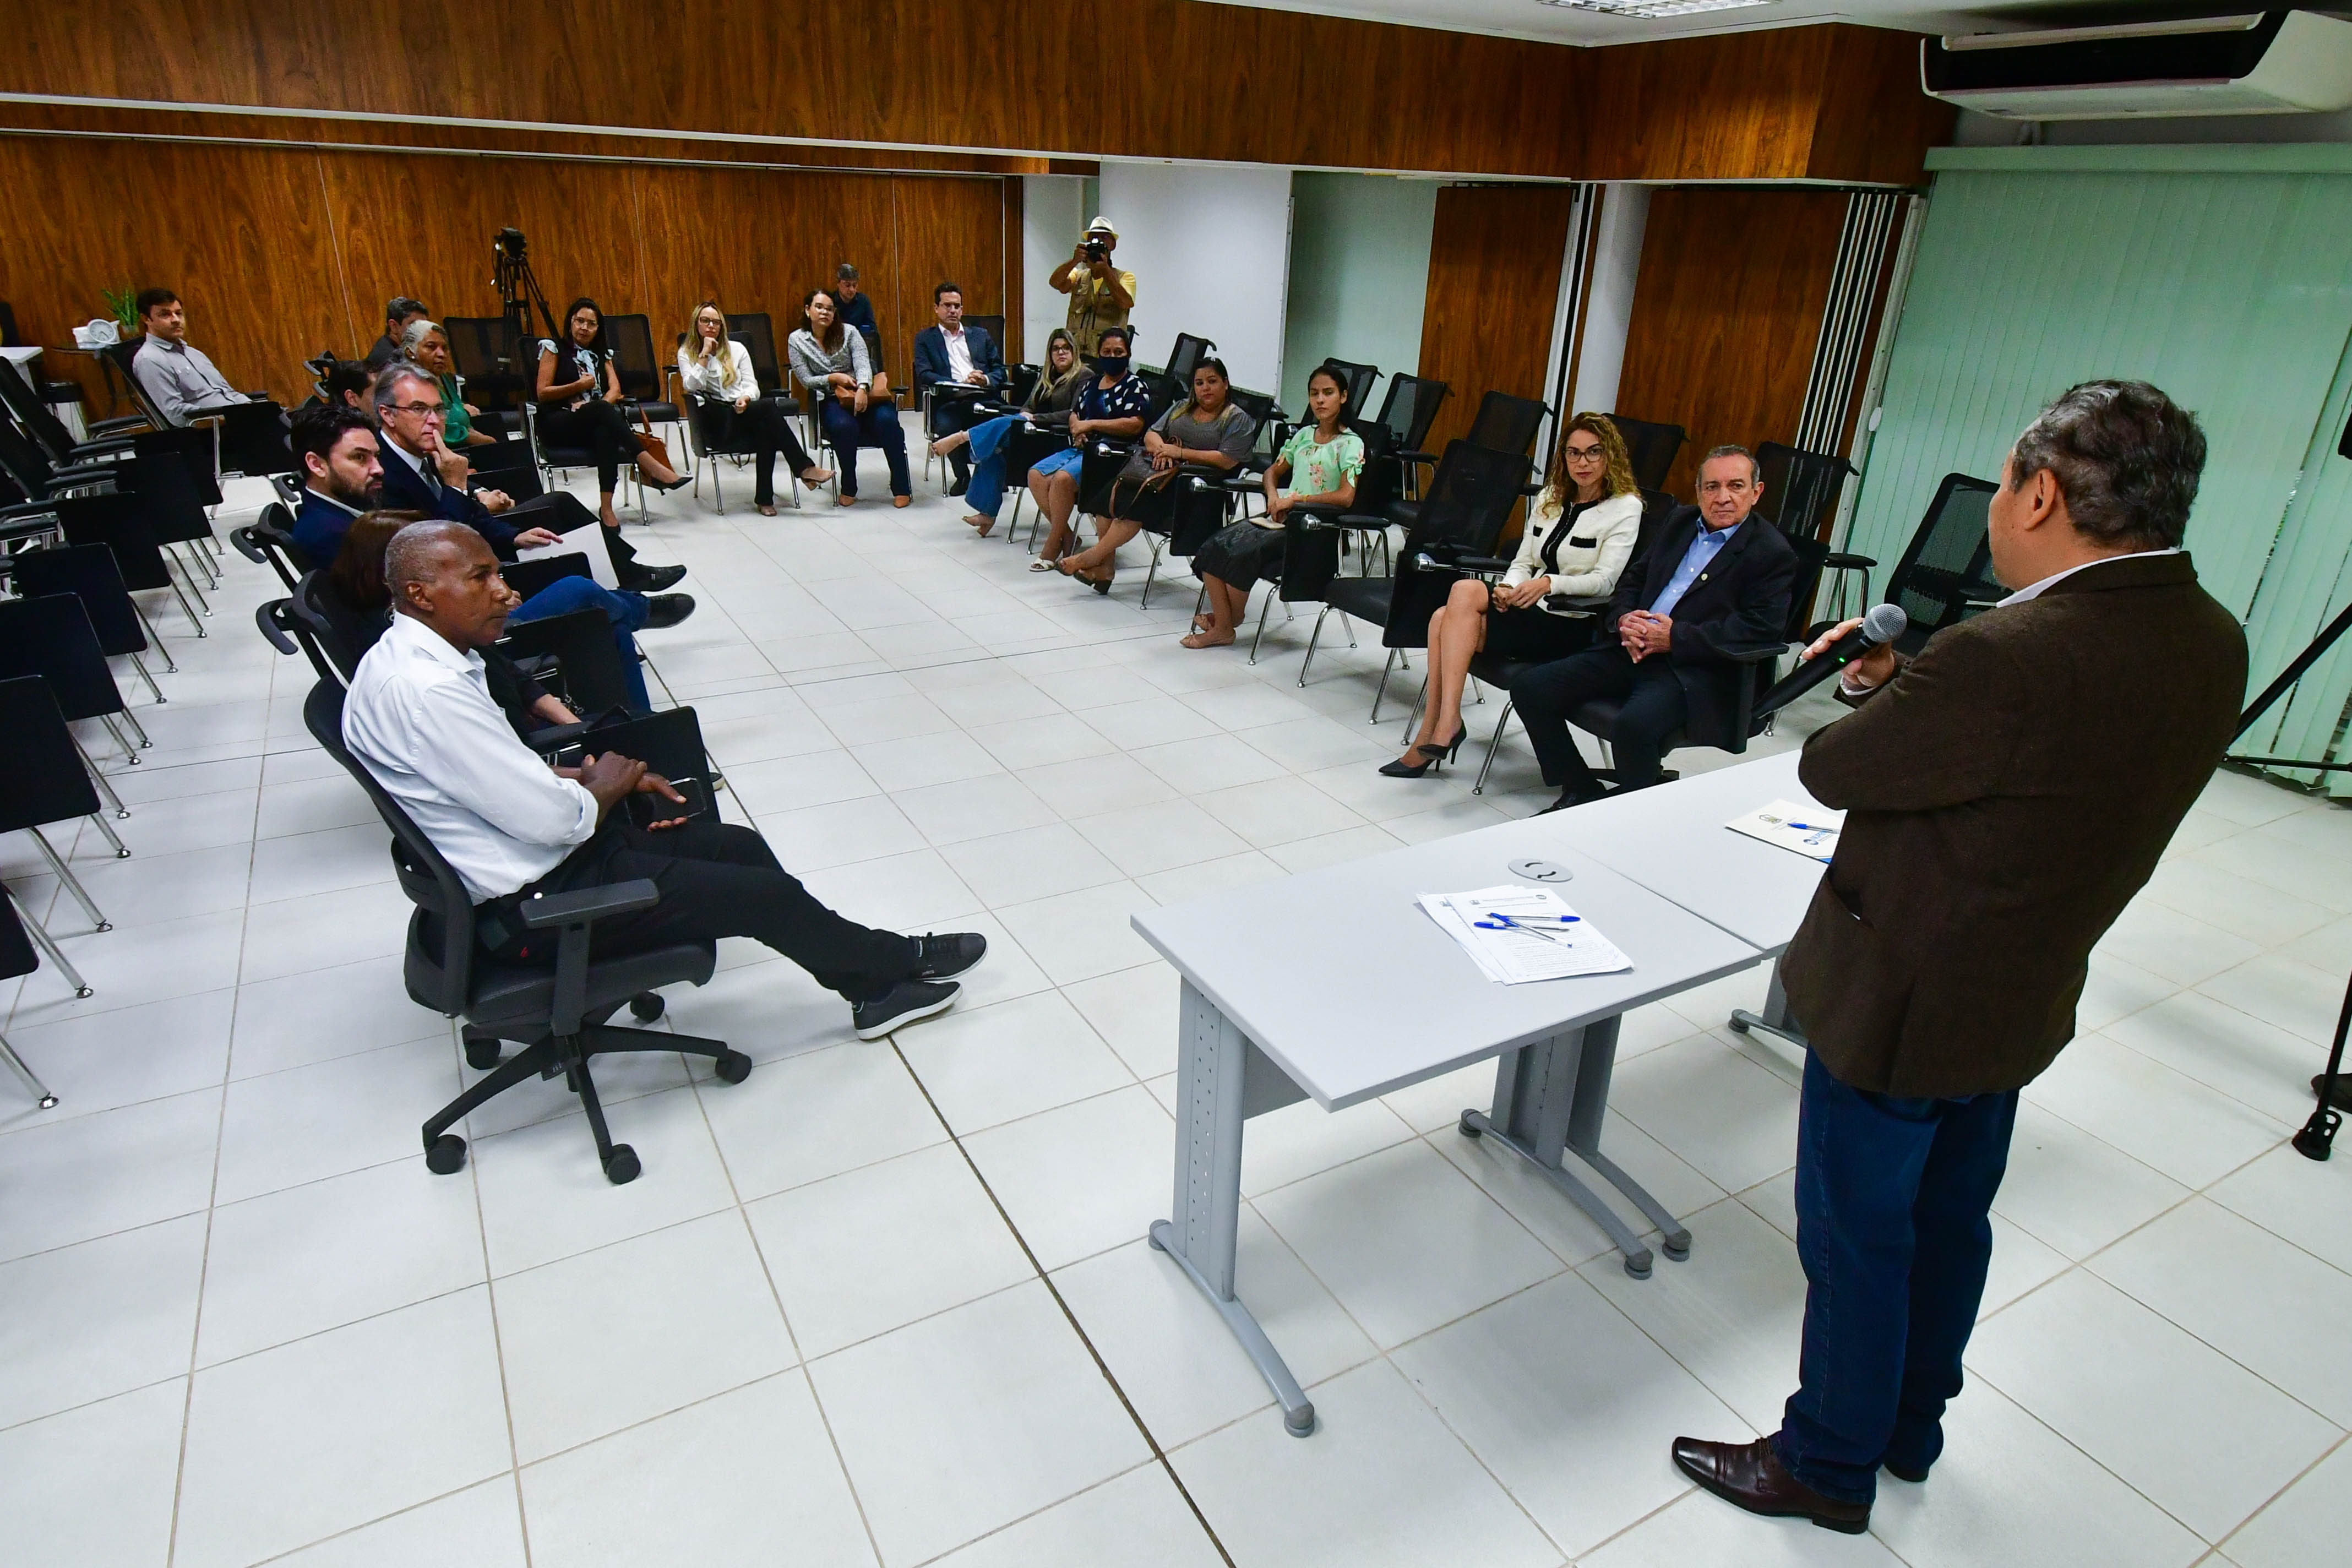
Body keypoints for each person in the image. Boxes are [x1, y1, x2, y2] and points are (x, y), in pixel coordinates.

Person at [1669, 381, 2246, 1535]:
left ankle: (1828, 1460)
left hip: (1903, 992)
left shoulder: (2006, 650)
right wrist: (1919, 692)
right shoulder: (2208, 634)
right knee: (1950, 1219)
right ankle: (1908, 1426)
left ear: (2039, 494)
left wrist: (1899, 692)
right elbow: (2041, 771)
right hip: (2021, 987)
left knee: (1856, 1234)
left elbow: (1835, 768)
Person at [341, 520, 989, 1040]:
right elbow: (551, 819)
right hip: (535, 905)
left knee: (736, 846)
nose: (503, 590)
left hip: (525, 860)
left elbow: (481, 780)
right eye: (480, 577)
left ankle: (868, 970)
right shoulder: (429, 692)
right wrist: (604, 786)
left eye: (497, 572)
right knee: (761, 895)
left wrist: (591, 778)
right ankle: (887, 974)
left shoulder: (407, 660)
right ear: (421, 593)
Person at [1512, 446, 1795, 809]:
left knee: (1635, 726)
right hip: (1630, 647)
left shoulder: (1771, 552)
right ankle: (1581, 788)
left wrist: (1674, 638)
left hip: (1691, 668)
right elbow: (1634, 579)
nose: (1722, 497)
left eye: (1735, 486)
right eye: (1712, 487)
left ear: (1756, 493)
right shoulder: (1680, 523)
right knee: (1531, 688)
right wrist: (1624, 619)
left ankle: (1632, 814)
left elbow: (1761, 628)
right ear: (1699, 491)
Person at [1384, 413, 1645, 775]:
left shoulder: (1625, 507)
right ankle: (1441, 725)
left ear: (1610, 455)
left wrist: (1549, 584)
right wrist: (1508, 587)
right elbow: (1524, 560)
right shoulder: (1551, 497)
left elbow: (1605, 581)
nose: (1582, 463)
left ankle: (1440, 728)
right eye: (1573, 453)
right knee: (1446, 612)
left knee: (1452, 606)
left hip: (1570, 623)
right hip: (1527, 610)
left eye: (1593, 452)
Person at [374, 363, 687, 598]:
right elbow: (438, 549)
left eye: (438, 410)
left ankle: (628, 580)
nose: (433, 420)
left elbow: (473, 516)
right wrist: (457, 488)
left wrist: (514, 536)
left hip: (477, 537)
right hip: (458, 575)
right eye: (419, 409)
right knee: (571, 571)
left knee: (561, 502)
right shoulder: (383, 474)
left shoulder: (419, 449)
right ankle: (631, 601)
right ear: (388, 415)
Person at [327, 509, 583, 738]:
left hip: (523, 735)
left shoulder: (439, 624)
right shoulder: (429, 682)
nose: (503, 591)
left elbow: (511, 675)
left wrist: (579, 728)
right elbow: (507, 762)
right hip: (525, 745)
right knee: (578, 589)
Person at [1182, 364, 1359, 649]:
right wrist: (1274, 496)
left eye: (1328, 393)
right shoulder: (1304, 436)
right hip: (1282, 516)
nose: (1320, 400)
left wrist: (1297, 500)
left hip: (1312, 528)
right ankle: (1228, 620)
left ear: (1343, 396)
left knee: (1243, 553)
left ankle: (1225, 625)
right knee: (1215, 545)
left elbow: (1346, 496)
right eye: (1314, 394)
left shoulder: (1350, 444)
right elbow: (1272, 472)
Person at [1050, 353, 1255, 598]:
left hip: (1196, 488)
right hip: (1158, 473)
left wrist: (1179, 453)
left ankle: (1090, 558)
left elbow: (1227, 459)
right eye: (1199, 383)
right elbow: (1151, 433)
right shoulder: (1182, 407)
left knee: (1134, 507)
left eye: (1212, 382)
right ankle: (1105, 570)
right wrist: (1161, 450)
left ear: (1225, 383)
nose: (1205, 388)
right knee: (1108, 502)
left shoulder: (1236, 418)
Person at [533, 296, 688, 533]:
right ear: (571, 322)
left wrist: (596, 409)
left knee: (605, 431)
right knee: (603, 415)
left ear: (598, 328)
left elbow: (615, 389)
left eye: (591, 324)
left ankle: (606, 508)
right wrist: (578, 386)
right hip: (558, 422)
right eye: (580, 321)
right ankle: (652, 466)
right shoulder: (554, 349)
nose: (584, 328)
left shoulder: (602, 354)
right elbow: (542, 393)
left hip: (591, 420)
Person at [676, 301, 831, 516]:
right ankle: (804, 468)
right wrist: (704, 354)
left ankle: (765, 499)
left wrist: (746, 398)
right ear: (696, 324)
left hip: (742, 413)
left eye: (716, 322)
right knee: (768, 409)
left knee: (766, 429)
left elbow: (752, 385)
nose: (711, 326)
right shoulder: (687, 352)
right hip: (714, 421)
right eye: (705, 321)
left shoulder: (737, 349)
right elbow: (692, 387)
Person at [932, 327, 1086, 537]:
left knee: (1007, 429)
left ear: (1074, 351)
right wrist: (1026, 415)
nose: (1061, 352)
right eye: (1056, 349)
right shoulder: (1047, 375)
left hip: (1058, 441)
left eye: (1066, 348)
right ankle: (987, 514)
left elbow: (1074, 413)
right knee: (994, 447)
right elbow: (1028, 406)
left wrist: (1035, 419)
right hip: (1033, 435)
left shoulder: (1083, 376)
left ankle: (963, 437)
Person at [1023, 324, 1148, 570]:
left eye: (1118, 352)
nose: (1112, 357)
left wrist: (1091, 424)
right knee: (1036, 475)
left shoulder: (1135, 386)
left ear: (1128, 354)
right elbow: (1075, 413)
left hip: (1110, 454)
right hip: (1082, 448)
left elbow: (1135, 424)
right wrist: (1076, 428)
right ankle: (1067, 535)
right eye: (1107, 352)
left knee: (1062, 480)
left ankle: (1053, 544)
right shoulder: (1092, 384)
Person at [788, 287, 911, 508]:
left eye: (829, 309)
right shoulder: (797, 340)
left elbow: (863, 363)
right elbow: (806, 380)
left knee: (888, 421)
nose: (825, 313)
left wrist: (862, 388)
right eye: (819, 307)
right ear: (808, 310)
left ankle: (902, 487)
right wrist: (833, 378)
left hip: (866, 393)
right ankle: (849, 486)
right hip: (832, 398)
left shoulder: (850, 332)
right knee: (844, 427)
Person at [911, 282, 1005, 495]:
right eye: (947, 306)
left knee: (1004, 421)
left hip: (983, 397)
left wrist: (984, 379)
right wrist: (961, 382)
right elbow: (924, 374)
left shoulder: (980, 335)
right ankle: (963, 476)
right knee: (947, 426)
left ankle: (995, 473)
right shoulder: (925, 339)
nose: (952, 310)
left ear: (962, 309)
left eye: (957, 306)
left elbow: (1000, 371)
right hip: (950, 400)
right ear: (936, 308)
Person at [400, 319, 496, 447]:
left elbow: (463, 421)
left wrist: (483, 439)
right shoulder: (409, 384)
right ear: (410, 352)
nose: (441, 354)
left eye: (445, 348)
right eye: (431, 347)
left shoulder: (442, 377)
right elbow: (429, 428)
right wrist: (479, 440)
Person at [1049, 217, 1136, 356]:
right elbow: (1055, 283)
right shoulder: (1078, 276)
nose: (1099, 241)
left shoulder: (1125, 277)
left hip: (1107, 357)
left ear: (1113, 245)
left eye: (1104, 238)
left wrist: (1105, 269)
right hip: (1076, 355)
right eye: (1094, 238)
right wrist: (1074, 261)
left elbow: (1125, 303)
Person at [364, 297, 431, 371]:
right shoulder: (389, 361)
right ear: (394, 327)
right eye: (414, 324)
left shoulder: (404, 349)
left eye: (425, 325)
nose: (423, 331)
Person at [832, 263, 878, 335]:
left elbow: (872, 331)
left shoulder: (863, 301)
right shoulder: (830, 301)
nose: (852, 289)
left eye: (855, 285)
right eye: (847, 285)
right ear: (838, 283)